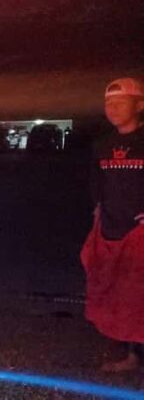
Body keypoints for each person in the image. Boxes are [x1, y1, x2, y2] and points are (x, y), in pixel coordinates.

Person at [81, 77, 144, 372]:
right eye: (109, 103)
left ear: (139, 105)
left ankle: (138, 356)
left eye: (121, 102)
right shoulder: (102, 145)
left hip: (140, 232)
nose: (113, 108)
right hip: (111, 229)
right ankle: (128, 354)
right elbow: (97, 184)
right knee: (118, 291)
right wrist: (97, 213)